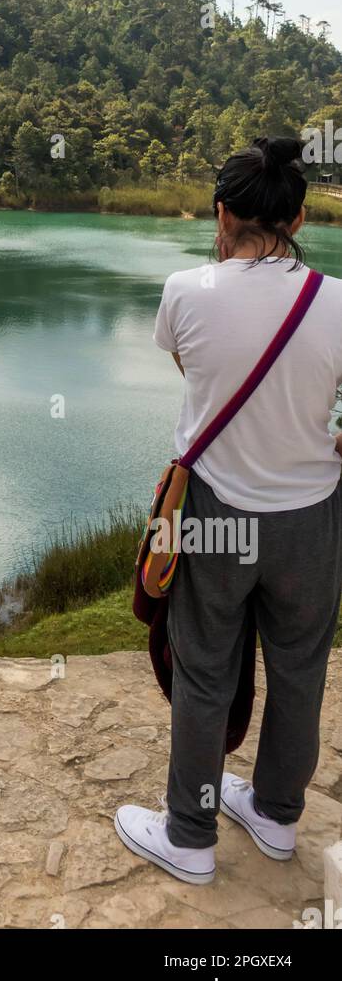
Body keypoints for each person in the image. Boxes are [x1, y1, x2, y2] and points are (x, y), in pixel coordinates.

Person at [115, 136, 342, 885]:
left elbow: (197, 374)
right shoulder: (337, 301)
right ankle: (277, 817)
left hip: (216, 511)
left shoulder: (186, 290)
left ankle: (190, 834)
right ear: (301, 219)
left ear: (222, 213)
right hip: (310, 515)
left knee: (207, 669)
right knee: (301, 668)